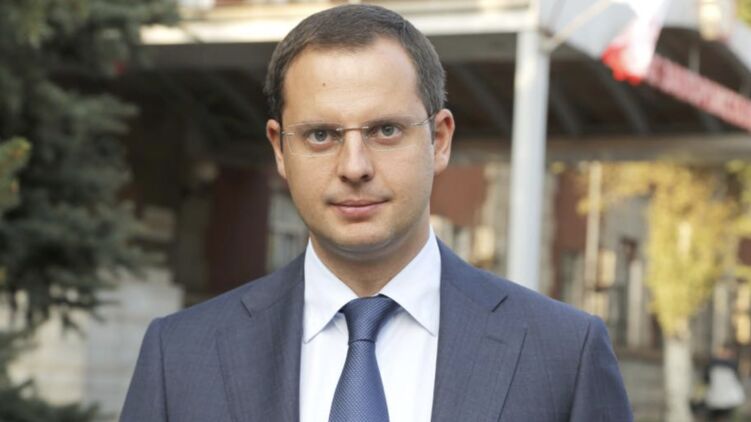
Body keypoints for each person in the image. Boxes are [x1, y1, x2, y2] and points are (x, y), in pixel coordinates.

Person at [121, 4, 633, 421]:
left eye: (386, 130)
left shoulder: (563, 354)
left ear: (439, 139)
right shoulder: (180, 357)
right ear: (280, 149)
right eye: (320, 135)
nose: (354, 166)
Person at [704, 344, 746, 421]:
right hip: (722, 396)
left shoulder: (713, 363)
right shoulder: (732, 364)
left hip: (719, 396)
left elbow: (706, 379)